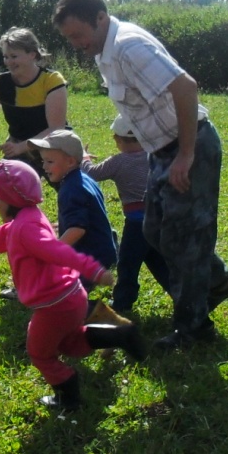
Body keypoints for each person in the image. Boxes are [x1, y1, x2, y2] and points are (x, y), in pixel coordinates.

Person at [52, 0, 228, 351]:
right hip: (161, 150)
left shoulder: (128, 47)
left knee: (185, 240)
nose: (76, 44)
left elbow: (186, 88)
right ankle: (217, 283)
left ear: (100, 18)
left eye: (79, 34)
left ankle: (192, 330)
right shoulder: (104, 53)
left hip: (189, 146)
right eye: (69, 38)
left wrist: (186, 154)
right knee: (155, 231)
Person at [0, 160, 145, 412]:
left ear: (10, 197)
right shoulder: (28, 217)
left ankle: (68, 398)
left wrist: (93, 269)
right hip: (71, 297)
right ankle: (120, 335)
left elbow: (59, 251)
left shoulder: (25, 229)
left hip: (56, 304)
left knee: (40, 352)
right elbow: (1, 235)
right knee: (68, 343)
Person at [82, 114, 170, 312]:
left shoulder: (119, 161)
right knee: (159, 260)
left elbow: (91, 173)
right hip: (159, 219)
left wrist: (84, 157)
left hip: (136, 224)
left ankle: (123, 302)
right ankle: (180, 294)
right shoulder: (155, 155)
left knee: (127, 263)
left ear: (118, 140)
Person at [0, 27, 69, 176]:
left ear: (32, 54)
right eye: (6, 57)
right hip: (18, 144)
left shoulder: (51, 80)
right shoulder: (0, 83)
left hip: (53, 143)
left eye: (14, 56)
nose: (9, 62)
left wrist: (22, 147)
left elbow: (56, 129)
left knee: (72, 192)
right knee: (8, 189)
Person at [27, 128, 116, 287]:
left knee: (64, 293)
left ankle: (94, 311)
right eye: (43, 161)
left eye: (50, 162)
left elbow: (77, 229)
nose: (45, 167)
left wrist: (54, 251)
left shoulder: (71, 189)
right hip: (102, 249)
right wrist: (62, 225)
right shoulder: (83, 179)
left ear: (70, 162)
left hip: (91, 256)